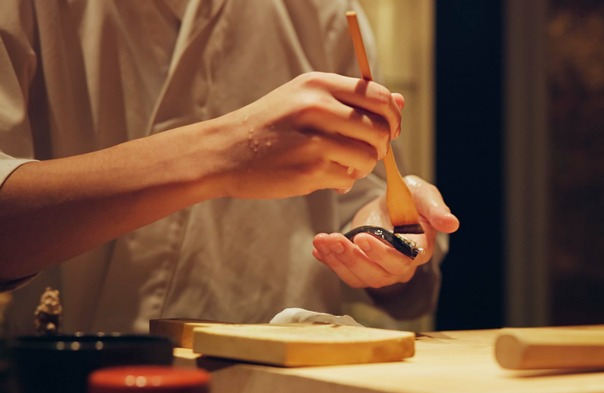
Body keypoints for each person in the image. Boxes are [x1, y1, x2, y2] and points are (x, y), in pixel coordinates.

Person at [0, 0, 459, 335]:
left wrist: (380, 238)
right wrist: (223, 154)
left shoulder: (323, 10)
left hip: (287, 389)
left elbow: (358, 195)